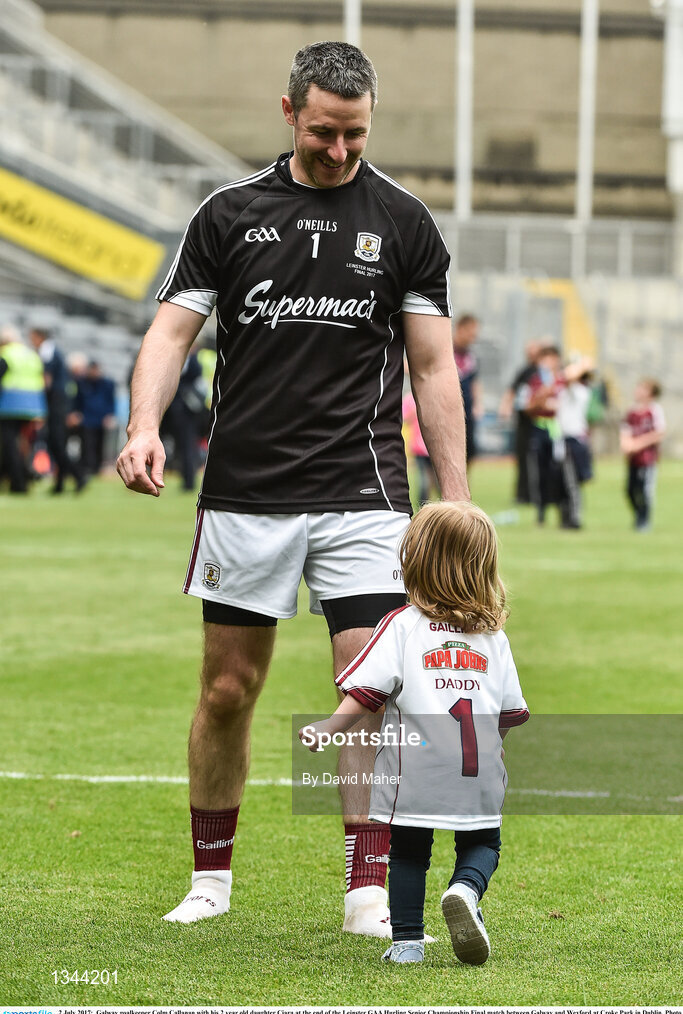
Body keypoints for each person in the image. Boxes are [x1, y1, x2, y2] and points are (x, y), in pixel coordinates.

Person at [116, 41, 469, 932]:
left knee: (373, 689)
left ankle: (365, 888)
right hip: (246, 493)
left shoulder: (404, 222)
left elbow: (432, 369)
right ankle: (210, 880)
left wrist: (454, 497)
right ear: (288, 113)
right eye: (323, 132)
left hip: (365, 493)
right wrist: (143, 426)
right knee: (228, 690)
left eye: (354, 134)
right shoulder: (229, 214)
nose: (340, 150)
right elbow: (169, 336)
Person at [300, 501, 529, 965]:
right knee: (483, 843)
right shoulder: (494, 638)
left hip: (415, 771)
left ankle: (406, 941)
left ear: (413, 561)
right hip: (477, 770)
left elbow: (365, 694)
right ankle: (465, 889)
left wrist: (329, 729)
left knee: (407, 852)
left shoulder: (401, 626)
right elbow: (509, 713)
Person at [28, 328, 86, 494]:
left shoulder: (47, 350)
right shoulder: (53, 350)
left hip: (56, 404)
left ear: (40, 337)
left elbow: (47, 379)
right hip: (59, 403)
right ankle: (60, 483)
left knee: (57, 443)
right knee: (54, 443)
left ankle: (78, 475)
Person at [0, 325, 46, 493]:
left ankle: (18, 482)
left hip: (10, 406)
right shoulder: (31, 354)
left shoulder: (6, 354)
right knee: (24, 444)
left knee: (9, 445)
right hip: (32, 406)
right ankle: (23, 478)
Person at [498, 339, 542, 504]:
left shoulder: (543, 372)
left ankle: (536, 493)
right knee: (522, 457)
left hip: (538, 422)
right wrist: (505, 407)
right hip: (523, 422)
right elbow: (512, 390)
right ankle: (522, 494)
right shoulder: (525, 371)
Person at [620, 379, 665, 531]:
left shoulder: (654, 410)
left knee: (645, 490)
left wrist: (638, 444)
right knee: (630, 490)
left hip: (647, 459)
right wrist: (626, 444)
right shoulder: (632, 411)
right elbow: (625, 430)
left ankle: (644, 521)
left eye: (642, 388)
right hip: (633, 459)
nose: (638, 391)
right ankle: (638, 515)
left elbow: (658, 433)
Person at [74, 360, 117, 476]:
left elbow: (111, 401)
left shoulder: (107, 384)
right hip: (87, 418)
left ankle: (97, 468)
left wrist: (110, 414)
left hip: (101, 419)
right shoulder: (82, 383)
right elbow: (78, 400)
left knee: (99, 444)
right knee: (87, 444)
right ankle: (87, 467)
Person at [452, 314, 483, 466]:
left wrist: (478, 404)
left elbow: (475, 382)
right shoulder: (444, 350)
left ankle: (463, 487)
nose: (473, 337)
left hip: (467, 411)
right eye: (471, 332)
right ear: (460, 328)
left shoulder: (472, 356)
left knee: (468, 451)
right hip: (448, 409)